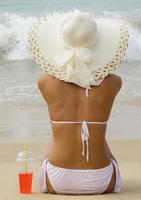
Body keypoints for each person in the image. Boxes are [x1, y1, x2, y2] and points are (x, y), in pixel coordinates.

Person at [28, 10, 129, 194]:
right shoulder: (114, 83)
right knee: (98, 135)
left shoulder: (45, 83)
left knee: (57, 132)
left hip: (57, 179)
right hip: (102, 179)